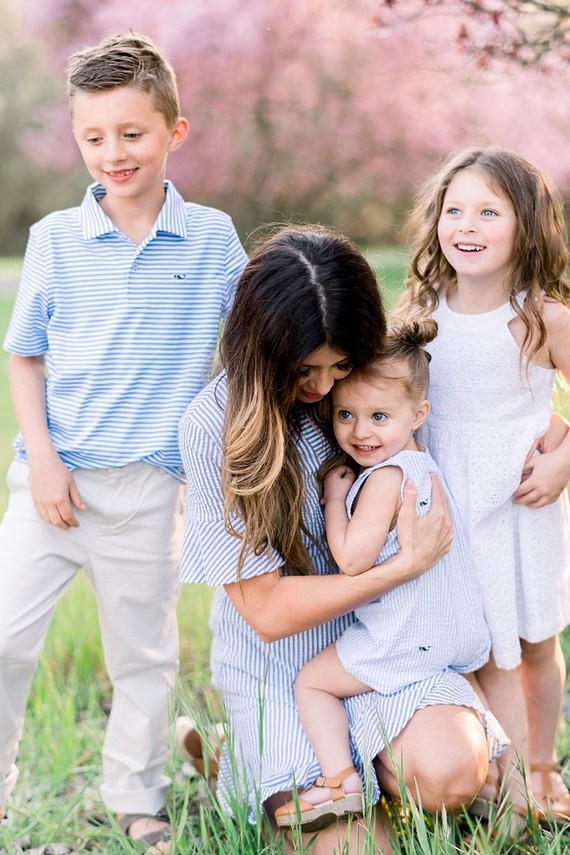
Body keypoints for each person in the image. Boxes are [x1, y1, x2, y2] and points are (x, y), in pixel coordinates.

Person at [177, 224, 507, 854]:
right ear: (263, 349)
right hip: (285, 667)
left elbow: (490, 420)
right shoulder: (213, 426)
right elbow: (268, 612)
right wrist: (399, 568)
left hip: (385, 646)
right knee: (360, 848)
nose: (327, 391)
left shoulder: (377, 390)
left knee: (450, 774)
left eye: (340, 365)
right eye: (306, 370)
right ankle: (243, 768)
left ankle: (309, 776)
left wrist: (558, 438)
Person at [0, 31, 247, 851]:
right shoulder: (54, 240)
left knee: (142, 658)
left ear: (175, 132)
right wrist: (41, 460)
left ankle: (135, 793)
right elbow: (25, 356)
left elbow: (257, 337)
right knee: (4, 636)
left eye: (132, 133)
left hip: (148, 485)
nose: (113, 153)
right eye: (93, 137)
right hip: (52, 480)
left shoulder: (211, 238)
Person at [397, 145, 570, 825]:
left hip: (523, 501)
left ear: (525, 227)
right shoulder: (421, 311)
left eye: (488, 211)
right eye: (454, 209)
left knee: (533, 642)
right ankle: (498, 773)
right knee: (475, 640)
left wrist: (565, 455)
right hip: (451, 499)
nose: (465, 225)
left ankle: (542, 766)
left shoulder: (543, 317)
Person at [274, 318, 492, 831]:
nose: (359, 431)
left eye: (378, 416)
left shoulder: (385, 478)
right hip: (445, 632)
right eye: (345, 414)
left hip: (402, 637)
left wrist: (333, 498)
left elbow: (352, 560)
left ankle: (340, 780)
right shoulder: (423, 463)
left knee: (312, 683)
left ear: (419, 414)